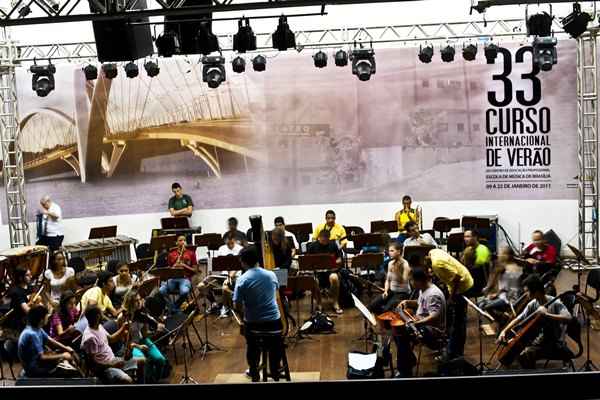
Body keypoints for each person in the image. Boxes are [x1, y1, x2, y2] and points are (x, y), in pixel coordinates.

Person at [498, 274, 572, 369]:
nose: (526, 294)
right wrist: (504, 331)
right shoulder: (533, 303)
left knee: (524, 354)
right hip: (537, 340)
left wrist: (547, 314)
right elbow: (518, 319)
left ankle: (531, 373)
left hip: (553, 343)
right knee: (516, 349)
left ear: (536, 292)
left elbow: (568, 317)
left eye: (527, 291)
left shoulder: (555, 303)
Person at [233, 246, 283, 382]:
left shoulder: (242, 280)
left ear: (243, 262)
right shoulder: (271, 275)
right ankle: (275, 369)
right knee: (275, 344)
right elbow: (275, 292)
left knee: (252, 345)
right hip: (274, 323)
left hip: (254, 325)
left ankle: (254, 371)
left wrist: (244, 317)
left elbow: (236, 305)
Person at [394, 267, 446, 378]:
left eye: (411, 280)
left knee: (401, 334)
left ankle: (405, 371)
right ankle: (409, 359)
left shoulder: (433, 294)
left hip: (433, 331)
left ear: (418, 281)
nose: (411, 283)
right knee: (397, 330)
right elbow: (420, 304)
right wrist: (407, 302)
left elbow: (434, 316)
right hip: (422, 324)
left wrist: (418, 323)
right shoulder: (424, 289)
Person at [425, 248, 474, 360]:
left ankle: (454, 353)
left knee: (458, 322)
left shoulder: (437, 265)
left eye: (432, 272)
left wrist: (452, 298)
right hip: (458, 283)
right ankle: (452, 348)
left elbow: (457, 277)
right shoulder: (433, 252)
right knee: (453, 318)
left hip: (462, 287)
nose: (431, 274)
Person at [81, 305, 144, 384]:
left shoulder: (99, 326)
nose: (103, 315)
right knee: (128, 381)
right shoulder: (90, 338)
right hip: (105, 368)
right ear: (97, 316)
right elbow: (93, 365)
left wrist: (123, 327)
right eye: (101, 314)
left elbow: (111, 339)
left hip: (113, 360)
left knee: (142, 361)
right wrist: (112, 365)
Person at [18, 305, 80, 378]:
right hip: (34, 369)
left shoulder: (37, 328)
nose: (48, 318)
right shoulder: (32, 334)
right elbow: (42, 357)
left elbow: (50, 341)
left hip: (38, 363)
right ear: (41, 320)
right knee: (69, 372)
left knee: (66, 359)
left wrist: (67, 348)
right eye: (47, 316)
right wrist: (63, 355)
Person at [122, 289, 168, 383]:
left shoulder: (141, 314)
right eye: (136, 301)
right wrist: (139, 346)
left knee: (160, 360)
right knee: (144, 362)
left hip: (142, 340)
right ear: (130, 302)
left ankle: (154, 381)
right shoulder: (123, 317)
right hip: (131, 345)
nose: (139, 303)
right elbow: (125, 342)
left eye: (140, 300)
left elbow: (144, 334)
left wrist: (156, 331)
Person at [479, 246, 523, 324]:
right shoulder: (503, 267)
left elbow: (511, 290)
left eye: (502, 254)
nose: (499, 256)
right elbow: (502, 287)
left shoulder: (513, 269)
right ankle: (502, 319)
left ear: (508, 256)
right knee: (481, 303)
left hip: (510, 299)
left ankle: (503, 320)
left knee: (485, 305)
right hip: (503, 295)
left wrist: (495, 295)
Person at [306, 229, 344, 314]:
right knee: (313, 281)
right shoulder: (312, 246)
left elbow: (339, 259)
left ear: (329, 238)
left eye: (326, 240)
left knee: (334, 278)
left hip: (330, 270)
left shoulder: (333, 244)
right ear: (318, 238)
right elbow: (307, 261)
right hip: (317, 272)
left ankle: (335, 302)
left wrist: (334, 262)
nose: (324, 241)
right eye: (322, 239)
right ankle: (319, 303)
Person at [368, 242, 410, 314]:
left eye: (392, 251)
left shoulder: (405, 265)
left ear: (399, 251)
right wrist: (386, 291)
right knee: (371, 306)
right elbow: (387, 280)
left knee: (386, 310)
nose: (389, 253)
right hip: (391, 291)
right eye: (389, 251)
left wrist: (397, 270)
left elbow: (404, 281)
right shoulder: (390, 263)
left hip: (402, 293)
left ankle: (386, 318)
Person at [159, 235, 196, 313]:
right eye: (180, 240)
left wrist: (184, 265)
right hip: (173, 278)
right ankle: (173, 308)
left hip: (185, 278)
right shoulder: (171, 254)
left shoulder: (191, 253)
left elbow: (195, 270)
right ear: (176, 242)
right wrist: (174, 266)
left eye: (184, 240)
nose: (183, 242)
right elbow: (168, 270)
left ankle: (174, 307)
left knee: (184, 291)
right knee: (161, 290)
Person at [4, 267, 41, 338]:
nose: (31, 276)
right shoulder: (16, 291)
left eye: (30, 274)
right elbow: (27, 311)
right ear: (21, 278)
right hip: (20, 323)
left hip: (29, 320)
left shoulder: (30, 288)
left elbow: (37, 303)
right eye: (27, 275)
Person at [462, 229, 491, 295]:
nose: (465, 239)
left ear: (475, 237)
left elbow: (477, 271)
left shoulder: (482, 249)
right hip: (469, 281)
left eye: (468, 236)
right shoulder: (467, 249)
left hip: (478, 286)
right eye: (464, 237)